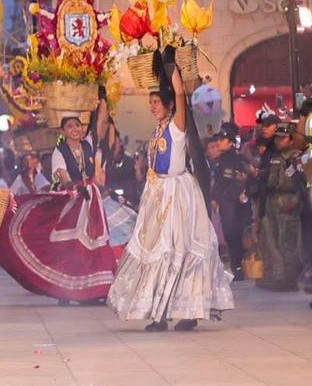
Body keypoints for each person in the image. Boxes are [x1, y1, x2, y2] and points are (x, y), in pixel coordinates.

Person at [106, 51, 234, 330]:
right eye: (150, 102)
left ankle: (188, 311)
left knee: (180, 250)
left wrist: (171, 68)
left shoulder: (177, 127)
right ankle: (159, 313)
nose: (152, 107)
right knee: (157, 251)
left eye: (156, 102)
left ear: (168, 105)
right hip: (158, 195)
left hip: (179, 195)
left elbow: (179, 95)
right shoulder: (156, 132)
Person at [0, 110, 124, 304]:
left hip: (92, 199)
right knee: (72, 247)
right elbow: (63, 176)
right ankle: (68, 292)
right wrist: (76, 188)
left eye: (77, 125)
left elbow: (101, 126)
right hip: (73, 201)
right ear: (63, 131)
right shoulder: (59, 152)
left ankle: (94, 290)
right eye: (70, 126)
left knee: (96, 244)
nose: (75, 129)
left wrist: (103, 100)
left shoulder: (87, 146)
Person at [256, 114, 304, 291]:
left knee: (288, 241)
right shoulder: (274, 156)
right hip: (272, 200)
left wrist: (296, 201)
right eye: (277, 138)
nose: (279, 141)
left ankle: (289, 279)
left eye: (283, 138)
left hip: (288, 200)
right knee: (273, 240)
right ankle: (279, 275)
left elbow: (303, 182)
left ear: (290, 139)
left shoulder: (296, 156)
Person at [206, 133, 252, 277]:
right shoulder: (221, 161)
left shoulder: (236, 160)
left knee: (234, 234)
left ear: (231, 142)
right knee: (230, 234)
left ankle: (238, 267)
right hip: (225, 203)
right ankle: (236, 266)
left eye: (222, 140)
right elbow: (219, 182)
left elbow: (241, 180)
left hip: (234, 203)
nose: (219, 143)